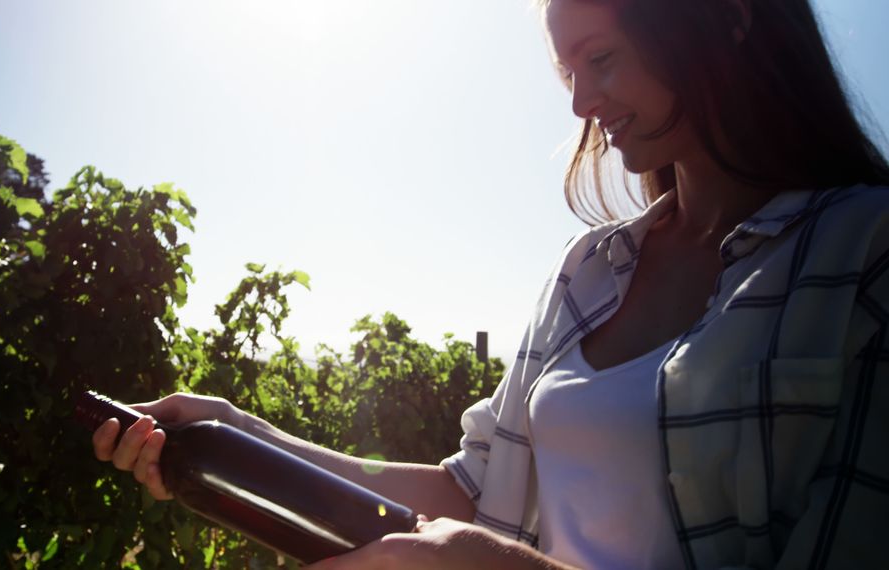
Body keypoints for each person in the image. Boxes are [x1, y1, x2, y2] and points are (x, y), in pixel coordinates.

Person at [93, 0, 889, 567]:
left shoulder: (864, 254)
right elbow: (470, 494)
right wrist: (241, 434)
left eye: (601, 58)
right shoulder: (589, 272)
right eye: (567, 70)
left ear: (726, 17)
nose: (580, 101)